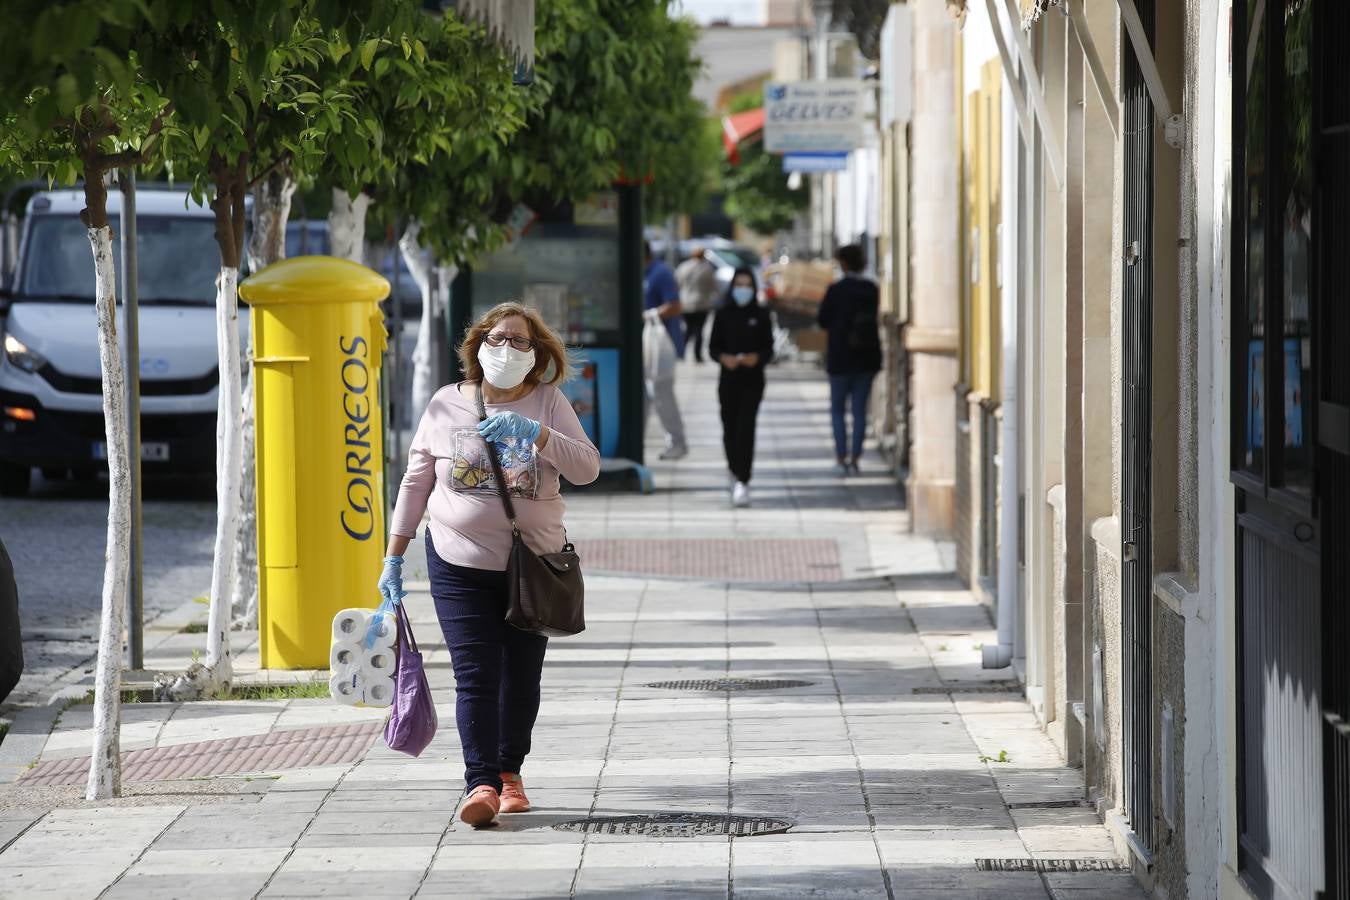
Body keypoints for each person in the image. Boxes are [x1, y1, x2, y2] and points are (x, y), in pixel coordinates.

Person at [379, 302, 600, 828]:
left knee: (520, 677)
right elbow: (416, 482)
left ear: (537, 352)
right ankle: (480, 781)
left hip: (533, 564)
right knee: (475, 673)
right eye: (497, 338)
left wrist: (538, 435)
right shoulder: (444, 404)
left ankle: (510, 774)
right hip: (457, 560)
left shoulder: (548, 402)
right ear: (478, 345)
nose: (508, 348)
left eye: (521, 341)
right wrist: (394, 556)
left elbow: (588, 468)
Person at [709, 267, 774, 508]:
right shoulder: (723, 314)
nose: (743, 290)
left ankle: (743, 480)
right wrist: (724, 358)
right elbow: (713, 348)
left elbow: (769, 349)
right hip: (729, 381)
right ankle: (733, 469)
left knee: (746, 429)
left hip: (752, 381)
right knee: (729, 428)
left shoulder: (762, 314)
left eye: (748, 285)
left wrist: (756, 358)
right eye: (739, 285)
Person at [816, 244, 882, 476]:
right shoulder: (871, 289)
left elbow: (822, 320)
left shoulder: (836, 290)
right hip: (866, 358)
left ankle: (840, 457)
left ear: (843, 263)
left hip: (840, 358)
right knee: (859, 411)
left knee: (837, 410)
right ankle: (855, 458)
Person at [643, 241, 687, 459]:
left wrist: (651, 314)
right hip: (645, 348)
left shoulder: (660, 273)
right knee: (644, 397)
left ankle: (677, 442)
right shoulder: (641, 273)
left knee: (661, 394)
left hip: (661, 348)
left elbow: (675, 305)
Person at [675, 246, 719, 363]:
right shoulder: (707, 269)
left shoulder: (683, 267)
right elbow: (714, 286)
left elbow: (677, 284)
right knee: (699, 330)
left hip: (685, 303)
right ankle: (697, 355)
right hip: (701, 303)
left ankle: (681, 352)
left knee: (688, 329)